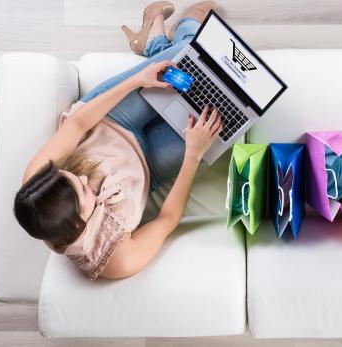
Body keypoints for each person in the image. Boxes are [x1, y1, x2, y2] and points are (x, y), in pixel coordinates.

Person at [13, 1, 220, 280]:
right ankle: (154, 40)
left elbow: (78, 123)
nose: (86, 180)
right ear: (80, 223)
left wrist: (136, 80)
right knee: (220, 115)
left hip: (109, 121)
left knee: (194, 53)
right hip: (149, 167)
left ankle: (174, 33)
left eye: (74, 177)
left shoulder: (37, 184)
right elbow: (166, 220)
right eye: (84, 191)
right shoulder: (116, 259)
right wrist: (193, 154)